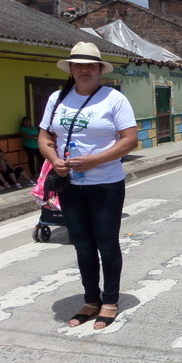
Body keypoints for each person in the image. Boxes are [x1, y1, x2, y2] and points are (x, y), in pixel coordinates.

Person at [38, 41, 137, 330]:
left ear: (99, 70)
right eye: (78, 65)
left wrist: (96, 160)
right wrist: (54, 159)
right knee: (82, 245)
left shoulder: (113, 99)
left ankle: (110, 301)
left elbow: (130, 139)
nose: (84, 70)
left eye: (90, 65)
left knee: (107, 243)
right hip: (70, 185)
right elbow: (44, 137)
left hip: (105, 184)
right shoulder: (57, 98)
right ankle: (91, 300)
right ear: (71, 69)